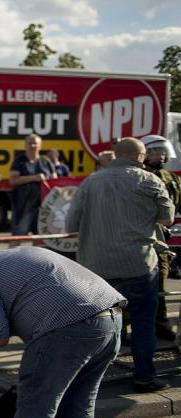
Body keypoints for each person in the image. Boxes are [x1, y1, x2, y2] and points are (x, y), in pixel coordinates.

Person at [0, 247, 126, 417]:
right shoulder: (7, 257)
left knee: (35, 408)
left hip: (68, 326)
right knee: (78, 404)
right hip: (111, 316)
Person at [66, 137, 174, 393]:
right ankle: (144, 377)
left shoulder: (91, 181)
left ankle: (89, 381)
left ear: (115, 155)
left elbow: (70, 225)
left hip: (96, 270)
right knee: (143, 324)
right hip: (139, 265)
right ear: (140, 156)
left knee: (97, 325)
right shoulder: (150, 180)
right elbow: (168, 219)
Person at [139, 135, 181, 342]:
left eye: (162, 151)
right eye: (154, 151)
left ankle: (161, 326)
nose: (159, 155)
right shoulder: (137, 176)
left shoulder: (172, 179)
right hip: (140, 241)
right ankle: (130, 330)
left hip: (162, 244)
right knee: (136, 287)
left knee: (161, 287)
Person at [9, 134, 56, 235]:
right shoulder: (19, 161)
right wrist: (34, 178)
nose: (33, 145)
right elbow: (13, 180)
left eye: (35, 143)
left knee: (39, 237)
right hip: (23, 205)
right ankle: (13, 252)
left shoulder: (46, 162)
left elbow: (55, 181)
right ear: (25, 145)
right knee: (18, 235)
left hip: (43, 207)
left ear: (40, 145)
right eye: (30, 143)